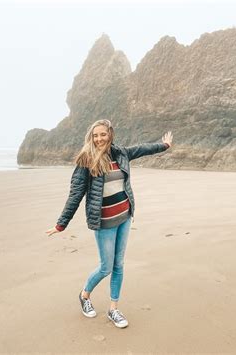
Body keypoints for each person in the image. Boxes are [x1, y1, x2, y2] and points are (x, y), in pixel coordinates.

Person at [45, 119, 173, 329]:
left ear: (110, 134)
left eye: (103, 134)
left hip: (124, 216)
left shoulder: (120, 153)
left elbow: (142, 149)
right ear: (91, 137)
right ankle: (84, 294)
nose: (99, 139)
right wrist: (61, 224)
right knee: (106, 267)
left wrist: (164, 146)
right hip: (104, 222)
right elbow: (76, 193)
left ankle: (113, 309)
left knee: (119, 265)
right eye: (95, 135)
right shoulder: (86, 160)